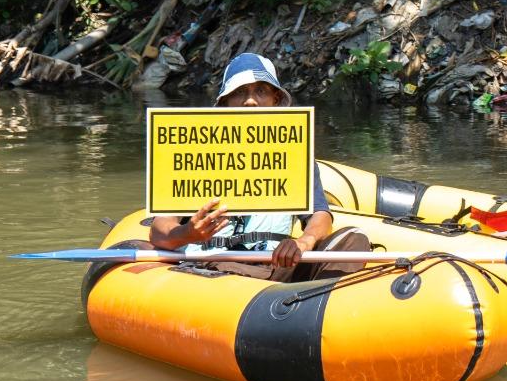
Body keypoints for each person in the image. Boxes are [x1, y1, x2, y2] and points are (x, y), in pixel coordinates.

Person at [147, 53, 369, 280]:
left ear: (275, 100)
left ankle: (319, 308)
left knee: (354, 238)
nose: (250, 101)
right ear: (225, 104)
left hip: (274, 269)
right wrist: (187, 233)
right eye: (239, 93)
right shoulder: (192, 152)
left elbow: (320, 215)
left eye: (260, 92)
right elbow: (160, 229)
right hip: (212, 266)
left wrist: (303, 242)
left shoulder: (294, 153)